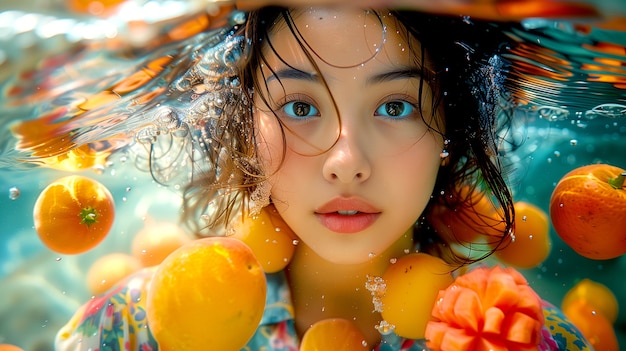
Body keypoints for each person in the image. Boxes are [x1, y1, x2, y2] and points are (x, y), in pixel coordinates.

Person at [54, 5, 592, 351]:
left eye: (397, 106)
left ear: (451, 127)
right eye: (300, 107)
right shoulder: (130, 329)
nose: (346, 160)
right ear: (245, 128)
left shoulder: (531, 342)